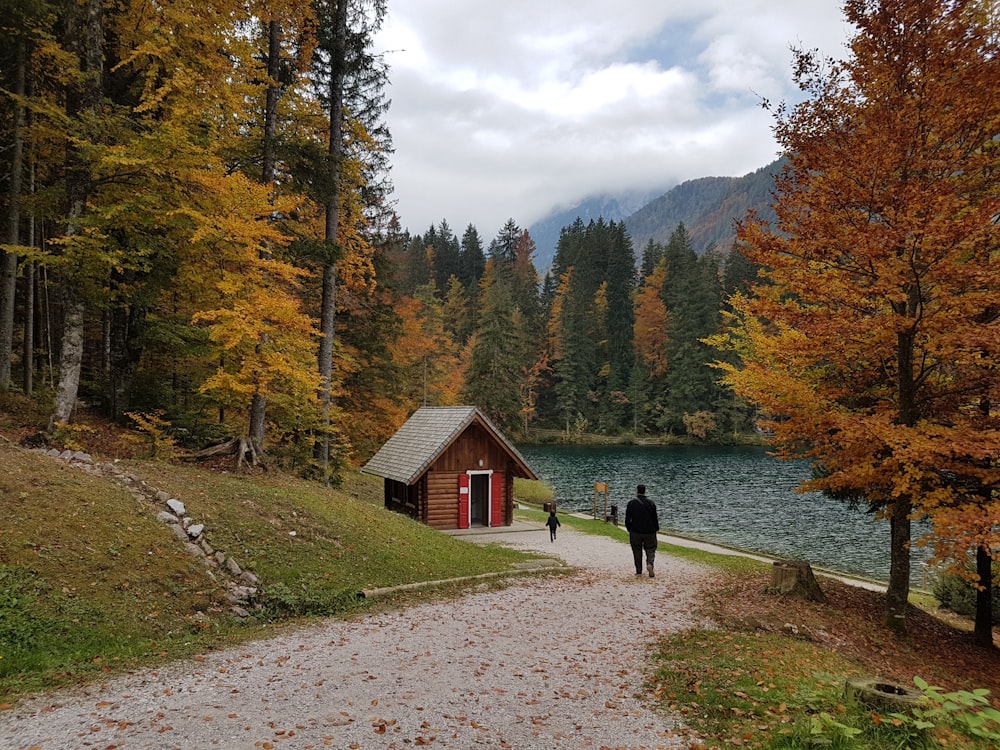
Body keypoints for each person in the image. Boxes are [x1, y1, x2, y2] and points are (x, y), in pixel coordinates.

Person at [625, 484, 659, 577]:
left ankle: (639, 571)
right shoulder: (651, 503)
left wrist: (629, 528)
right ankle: (650, 564)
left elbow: (628, 518)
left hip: (636, 531)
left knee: (637, 550)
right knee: (651, 549)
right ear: (645, 491)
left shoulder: (631, 503)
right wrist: (656, 529)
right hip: (649, 531)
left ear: (637, 491)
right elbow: (655, 518)